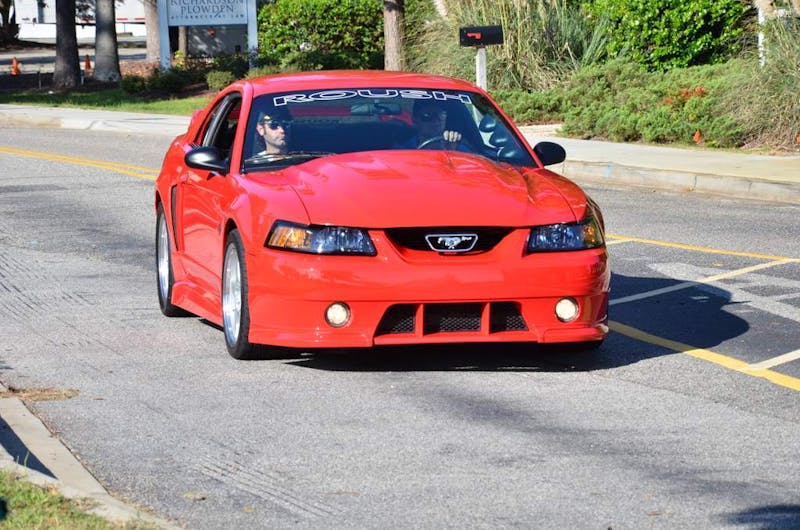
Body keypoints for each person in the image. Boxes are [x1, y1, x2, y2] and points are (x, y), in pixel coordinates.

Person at [396, 100, 468, 150]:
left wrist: (451, 151)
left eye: (441, 115)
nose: (436, 121)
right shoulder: (402, 150)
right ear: (414, 119)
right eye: (428, 116)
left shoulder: (456, 146)